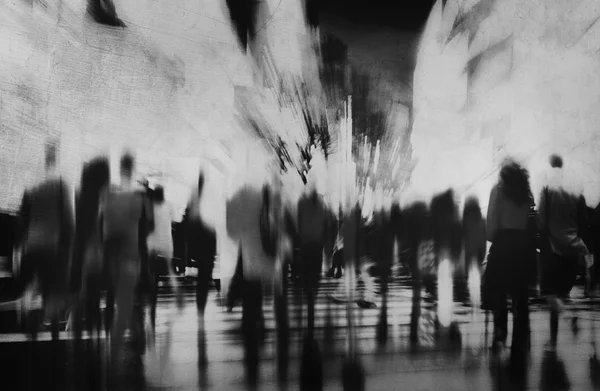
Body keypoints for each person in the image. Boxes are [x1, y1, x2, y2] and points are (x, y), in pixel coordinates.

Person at [100, 151, 154, 373]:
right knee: (132, 297)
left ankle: (116, 347)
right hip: (134, 251)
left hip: (113, 253)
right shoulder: (141, 197)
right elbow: (149, 226)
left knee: (117, 298)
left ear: (119, 169)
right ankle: (136, 335)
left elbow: (102, 224)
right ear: (132, 170)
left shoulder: (109, 195)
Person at [17, 142, 74, 340]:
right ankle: (53, 329)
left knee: (35, 283)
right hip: (53, 243)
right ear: (55, 159)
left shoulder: (31, 185)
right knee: (55, 285)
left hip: (32, 242)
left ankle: (25, 305)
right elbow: (68, 217)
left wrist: (23, 243)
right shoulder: (60, 184)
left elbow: (23, 217)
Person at [538, 154, 591, 351]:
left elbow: (542, 219)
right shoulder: (574, 187)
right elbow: (582, 217)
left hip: (553, 248)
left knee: (549, 294)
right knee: (562, 294)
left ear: (550, 165)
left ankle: (568, 317)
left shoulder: (547, 186)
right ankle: (553, 340)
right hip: (573, 247)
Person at [485, 159, 533, 361]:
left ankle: (500, 332)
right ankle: (521, 337)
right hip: (523, 246)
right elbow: (533, 220)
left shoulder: (498, 190)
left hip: (503, 244)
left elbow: (491, 226)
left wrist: (493, 236)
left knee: (498, 290)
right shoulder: (526, 192)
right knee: (520, 294)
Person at [147, 185, 182, 332]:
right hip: (166, 244)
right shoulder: (169, 205)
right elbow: (175, 221)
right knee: (169, 271)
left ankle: (152, 297)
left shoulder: (150, 207)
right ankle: (177, 294)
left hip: (152, 244)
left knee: (152, 274)